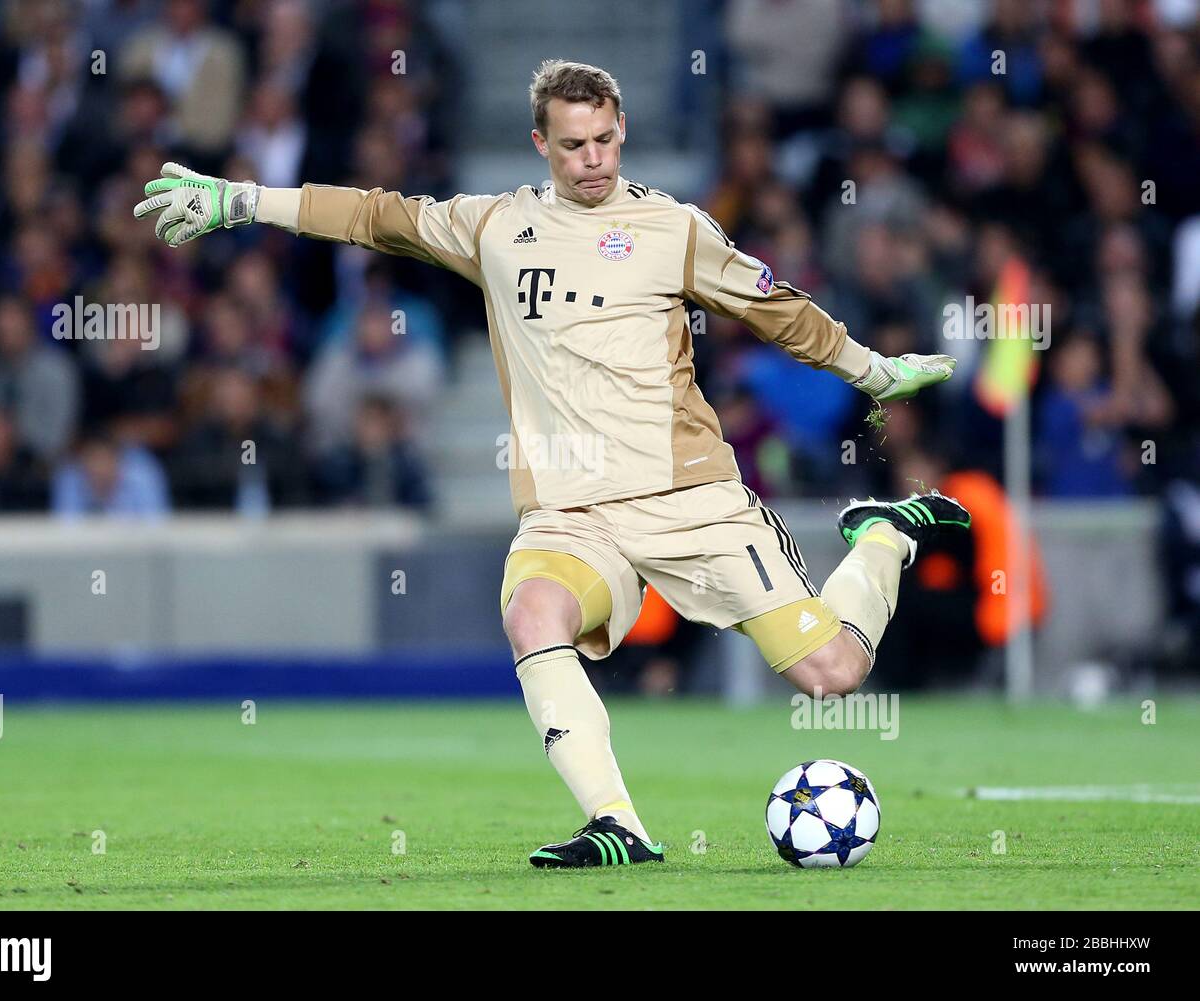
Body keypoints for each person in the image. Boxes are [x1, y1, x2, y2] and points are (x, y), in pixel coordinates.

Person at [133, 60, 970, 869]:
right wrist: (242, 199)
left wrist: (872, 370)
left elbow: (773, 308)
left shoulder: (672, 227)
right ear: (541, 143)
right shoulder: (495, 227)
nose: (594, 159)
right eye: (574, 145)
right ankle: (618, 824)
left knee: (834, 673)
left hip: (688, 497)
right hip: (571, 515)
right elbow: (373, 215)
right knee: (533, 613)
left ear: (623, 130)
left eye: (605, 139)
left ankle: (883, 539)